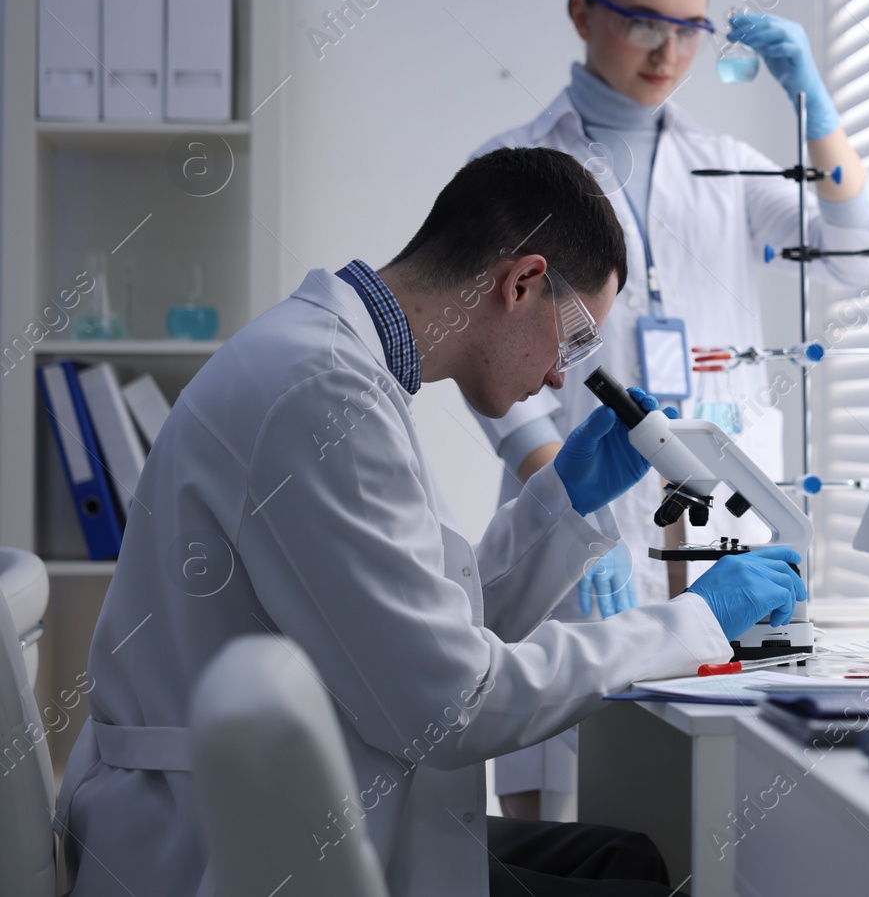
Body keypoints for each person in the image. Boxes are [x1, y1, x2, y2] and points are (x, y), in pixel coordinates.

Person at [53, 146, 807, 897]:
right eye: (575, 340)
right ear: (521, 282)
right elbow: (451, 703)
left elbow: (427, 633)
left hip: (300, 803)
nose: (558, 376)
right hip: (222, 848)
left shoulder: (340, 366)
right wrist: (696, 620)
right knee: (644, 883)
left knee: (627, 861)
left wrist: (562, 500)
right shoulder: (323, 395)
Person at [468, 0, 869, 819]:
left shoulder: (728, 168)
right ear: (582, 13)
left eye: (692, 29)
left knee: (713, 804)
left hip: (718, 520)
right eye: (643, 20)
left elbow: (859, 251)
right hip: (574, 512)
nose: (669, 49)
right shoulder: (511, 171)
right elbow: (482, 347)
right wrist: (556, 502)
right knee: (567, 804)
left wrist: (813, 101)